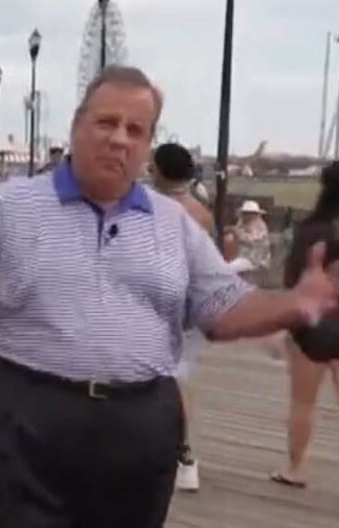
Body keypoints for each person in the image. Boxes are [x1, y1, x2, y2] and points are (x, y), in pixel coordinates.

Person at [0, 65, 339, 527]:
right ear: (76, 126)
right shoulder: (8, 207)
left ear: (148, 144)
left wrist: (292, 303)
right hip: (19, 421)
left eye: (136, 130)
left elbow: (222, 305)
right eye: (106, 122)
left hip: (138, 428)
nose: (119, 139)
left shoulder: (175, 225)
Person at [270, 160, 339, 515]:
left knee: (303, 403)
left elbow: (292, 279)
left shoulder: (311, 229)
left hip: (313, 324)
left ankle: (296, 469)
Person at [152, 142, 214, 493]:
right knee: (180, 379)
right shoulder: (201, 212)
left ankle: (178, 454)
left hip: (159, 306)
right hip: (192, 308)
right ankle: (184, 455)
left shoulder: (154, 209)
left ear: (158, 171)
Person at [227, 200, 272, 274]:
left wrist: (236, 233)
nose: (246, 215)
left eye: (249, 213)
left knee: (230, 268)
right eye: (245, 213)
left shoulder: (260, 226)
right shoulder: (242, 223)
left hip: (255, 260)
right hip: (242, 257)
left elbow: (252, 240)